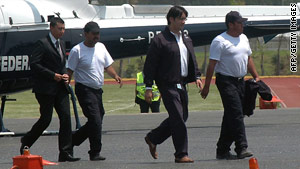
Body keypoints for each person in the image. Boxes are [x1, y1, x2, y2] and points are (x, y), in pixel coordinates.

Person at [143, 6, 203, 163]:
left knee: (183, 116)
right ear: (171, 19)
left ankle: (153, 138)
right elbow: (150, 66)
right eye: (181, 19)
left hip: (181, 84)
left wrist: (197, 76)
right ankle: (181, 154)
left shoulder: (186, 38)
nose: (184, 22)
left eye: (185, 19)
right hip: (167, 84)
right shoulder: (160, 40)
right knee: (177, 117)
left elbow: (192, 58)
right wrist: (148, 87)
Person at [201, 11, 260, 160]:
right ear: (231, 24)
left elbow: (248, 58)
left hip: (241, 81)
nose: (243, 25)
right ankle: (242, 147)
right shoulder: (220, 41)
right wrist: (206, 86)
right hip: (226, 81)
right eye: (240, 23)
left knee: (231, 115)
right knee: (236, 113)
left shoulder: (244, 38)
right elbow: (211, 65)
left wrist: (256, 76)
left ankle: (222, 149)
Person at [21, 17, 80, 162]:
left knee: (66, 118)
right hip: (45, 88)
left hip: (60, 88)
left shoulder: (61, 43)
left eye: (64, 29)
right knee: (45, 119)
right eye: (60, 29)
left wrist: (65, 73)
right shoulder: (42, 44)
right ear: (51, 28)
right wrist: (52, 75)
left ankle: (65, 152)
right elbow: (35, 64)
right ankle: (27, 140)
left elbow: (61, 63)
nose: (62, 31)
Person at [67, 21, 122, 161]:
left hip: (97, 90)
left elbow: (107, 65)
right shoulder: (77, 50)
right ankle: (95, 152)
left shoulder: (101, 47)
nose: (96, 36)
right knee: (95, 120)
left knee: (97, 119)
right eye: (93, 34)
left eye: (98, 34)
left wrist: (115, 75)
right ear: (85, 34)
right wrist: (66, 86)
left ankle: (72, 140)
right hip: (84, 89)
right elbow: (70, 71)